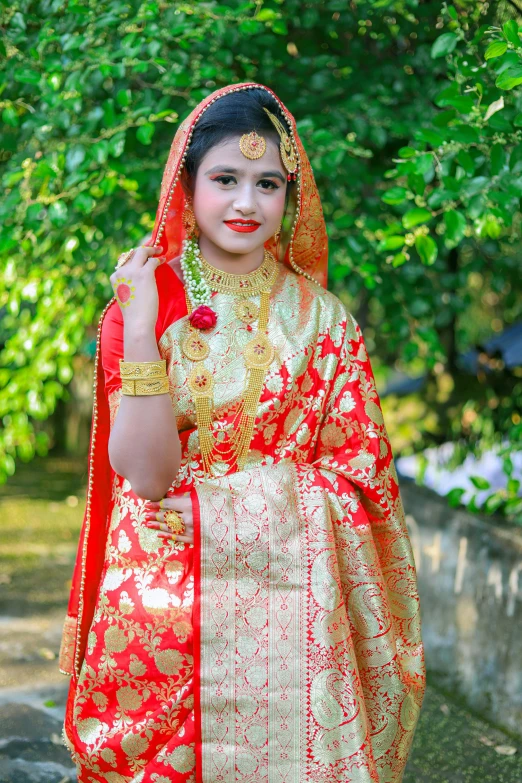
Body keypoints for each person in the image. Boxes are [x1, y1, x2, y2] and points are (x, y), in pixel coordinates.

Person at [58, 82, 426, 783]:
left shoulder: (324, 321)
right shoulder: (144, 303)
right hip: (169, 595)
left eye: (268, 184)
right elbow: (148, 478)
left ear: (290, 194)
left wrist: (223, 510)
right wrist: (139, 328)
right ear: (187, 185)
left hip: (290, 603)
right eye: (225, 179)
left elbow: (363, 488)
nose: (247, 203)